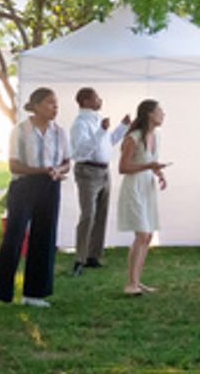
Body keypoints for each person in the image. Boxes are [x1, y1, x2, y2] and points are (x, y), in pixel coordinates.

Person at [0, 88, 71, 312]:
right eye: (49, 103)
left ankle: (34, 293)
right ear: (36, 106)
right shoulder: (20, 130)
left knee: (45, 238)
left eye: (56, 104)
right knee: (14, 237)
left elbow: (67, 161)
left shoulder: (60, 132)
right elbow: (14, 165)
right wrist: (40, 170)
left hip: (50, 185)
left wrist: (58, 170)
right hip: (24, 185)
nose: (55, 108)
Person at [68, 87, 131, 276]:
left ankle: (93, 255)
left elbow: (107, 142)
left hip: (103, 170)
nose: (99, 100)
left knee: (101, 213)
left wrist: (122, 127)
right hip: (87, 170)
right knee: (88, 214)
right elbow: (81, 151)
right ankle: (79, 258)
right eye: (96, 98)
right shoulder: (80, 124)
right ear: (86, 101)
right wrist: (101, 131)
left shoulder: (97, 119)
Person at [117, 99, 168, 296]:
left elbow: (150, 162)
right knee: (142, 235)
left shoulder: (157, 136)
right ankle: (131, 283)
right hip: (134, 187)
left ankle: (136, 281)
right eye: (160, 110)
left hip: (147, 186)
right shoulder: (134, 137)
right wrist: (149, 167)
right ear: (149, 114)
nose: (163, 114)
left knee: (147, 236)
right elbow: (123, 167)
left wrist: (159, 173)